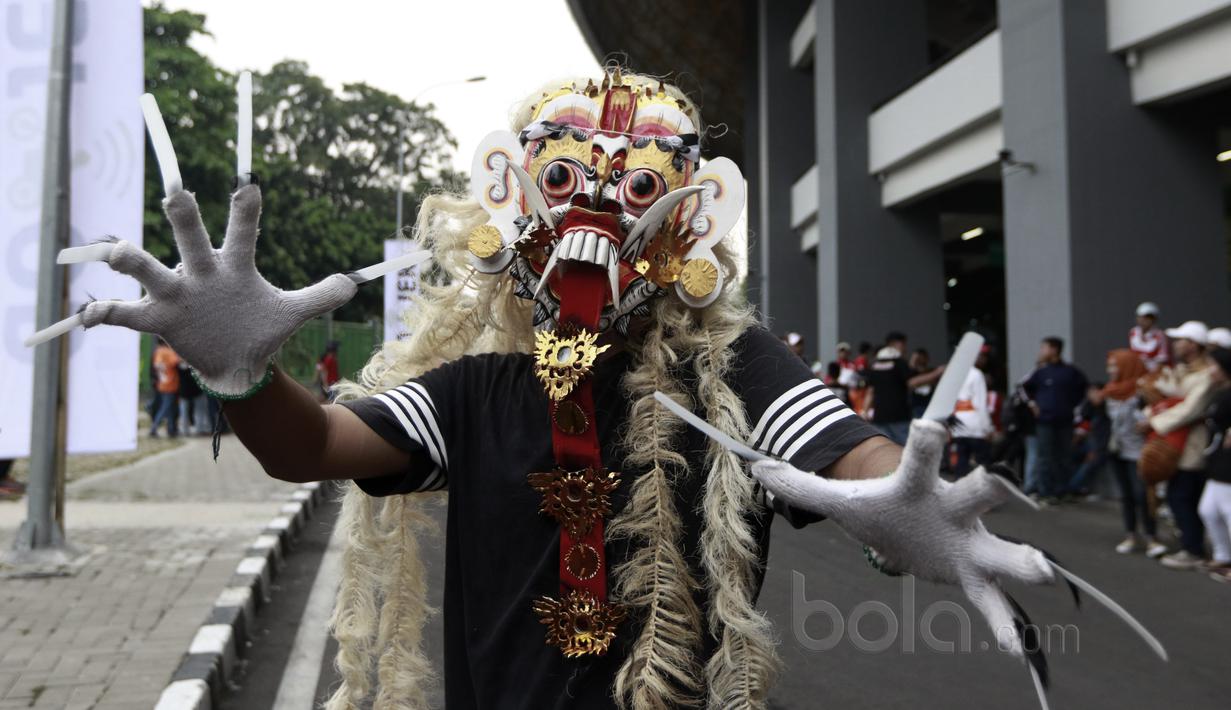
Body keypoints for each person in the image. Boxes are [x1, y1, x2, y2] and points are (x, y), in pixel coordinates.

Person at [39, 70, 1132, 708]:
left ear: (689, 213)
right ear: (515, 198)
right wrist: (238, 369)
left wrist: (909, 509)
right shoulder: (471, 388)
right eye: (565, 180)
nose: (598, 210)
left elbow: (844, 452)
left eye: (638, 185)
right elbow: (315, 444)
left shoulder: (738, 368)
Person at [1149, 321, 1220, 570]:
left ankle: (1194, 550)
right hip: (1178, 445)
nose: (1175, 344)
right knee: (1185, 498)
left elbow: (1190, 409)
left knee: (1182, 497)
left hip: (1193, 447)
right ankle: (1195, 546)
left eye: (1180, 340)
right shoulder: (1186, 370)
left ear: (1193, 344)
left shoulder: (1208, 376)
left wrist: (1153, 421)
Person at [1101, 350, 1164, 556]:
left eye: (1114, 366)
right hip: (1116, 450)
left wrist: (1148, 422)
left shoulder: (1142, 391)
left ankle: (1152, 538)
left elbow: (1158, 412)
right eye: (1109, 366)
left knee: (1142, 494)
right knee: (1126, 495)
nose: (1110, 370)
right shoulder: (1110, 391)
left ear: (1127, 366)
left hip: (1138, 451)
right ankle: (1130, 535)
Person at [1019, 337, 1088, 502]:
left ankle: (1062, 490)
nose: (1041, 352)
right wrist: (1032, 404)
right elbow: (1023, 387)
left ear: (1054, 349)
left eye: (1044, 348)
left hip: (1065, 420)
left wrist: (1072, 405)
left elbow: (1083, 389)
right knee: (1045, 456)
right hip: (1045, 421)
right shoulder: (1040, 372)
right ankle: (1045, 491)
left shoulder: (1070, 372)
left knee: (1064, 456)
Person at [862, 332, 944, 445]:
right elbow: (912, 382)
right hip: (899, 417)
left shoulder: (875, 365)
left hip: (880, 418)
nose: (905, 349)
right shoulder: (899, 363)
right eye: (903, 345)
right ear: (895, 344)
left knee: (886, 451)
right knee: (905, 451)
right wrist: (936, 373)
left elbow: (870, 392)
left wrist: (864, 412)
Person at [1199, 347, 1231, 582]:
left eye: (1214, 366)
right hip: (1218, 458)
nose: (1210, 370)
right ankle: (1222, 556)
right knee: (1208, 509)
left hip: (1228, 463)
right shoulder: (1219, 391)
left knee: (1229, 512)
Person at [951, 346, 993, 477]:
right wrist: (987, 428)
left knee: (961, 463)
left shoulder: (954, 374)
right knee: (983, 465)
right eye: (981, 356)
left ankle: (959, 493)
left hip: (958, 426)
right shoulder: (976, 374)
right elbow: (980, 404)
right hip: (975, 427)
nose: (984, 359)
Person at [1066, 383, 1109, 498]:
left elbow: (1101, 433)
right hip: (1086, 442)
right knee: (1071, 456)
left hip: (1099, 445)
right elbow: (1083, 425)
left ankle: (1071, 487)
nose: (1091, 395)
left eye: (1094, 391)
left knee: (1090, 462)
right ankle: (1074, 487)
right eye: (1090, 392)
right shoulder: (1086, 405)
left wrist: (1094, 450)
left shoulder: (1106, 408)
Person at [150, 338, 181, 437]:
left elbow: (156, 365)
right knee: (165, 408)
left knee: (170, 408)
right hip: (170, 384)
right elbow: (176, 361)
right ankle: (154, 428)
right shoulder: (168, 352)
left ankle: (171, 429)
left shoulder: (158, 351)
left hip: (162, 383)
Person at [1130, 302, 1169, 371]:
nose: (1145, 320)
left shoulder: (1160, 335)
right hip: (1136, 371)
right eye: (1142, 317)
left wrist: (1151, 377)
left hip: (1153, 373)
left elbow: (1162, 359)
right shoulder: (1133, 332)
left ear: (1154, 319)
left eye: (1149, 317)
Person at [177, 359, 206, 435]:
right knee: (199, 411)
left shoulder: (178, 366)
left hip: (184, 392)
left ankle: (185, 430)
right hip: (196, 391)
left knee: (184, 412)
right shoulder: (194, 366)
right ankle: (200, 429)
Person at [908, 348, 934, 419]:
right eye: (919, 358)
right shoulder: (911, 373)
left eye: (923, 358)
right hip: (916, 406)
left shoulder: (932, 372)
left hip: (930, 404)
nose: (921, 360)